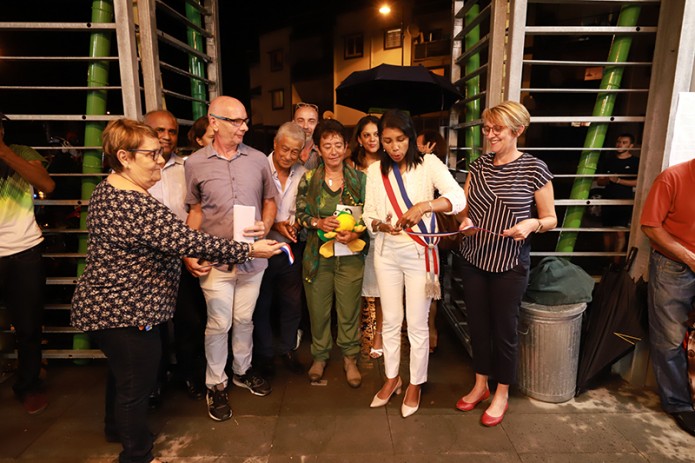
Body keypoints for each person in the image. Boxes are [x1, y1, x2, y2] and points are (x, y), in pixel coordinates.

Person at [70, 118, 282, 463]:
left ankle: (117, 428)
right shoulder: (132, 204)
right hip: (125, 310)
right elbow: (189, 239)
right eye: (151, 154)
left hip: (110, 308)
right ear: (124, 156)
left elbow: (172, 241)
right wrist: (249, 250)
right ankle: (136, 453)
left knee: (122, 377)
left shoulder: (109, 189)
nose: (159, 160)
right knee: (136, 387)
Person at [454, 101, 556, 427]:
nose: (490, 135)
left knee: (505, 329)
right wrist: (465, 220)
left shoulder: (534, 169)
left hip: (509, 262)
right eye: (486, 128)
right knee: (479, 326)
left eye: (497, 129)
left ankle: (502, 391)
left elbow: (550, 218)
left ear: (517, 131)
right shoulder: (478, 165)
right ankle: (481, 384)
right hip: (474, 257)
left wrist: (531, 225)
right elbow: (464, 208)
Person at [364, 109, 466, 418]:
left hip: (420, 252)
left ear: (410, 137)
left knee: (418, 323)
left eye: (400, 140)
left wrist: (425, 206)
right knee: (392, 320)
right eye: (387, 141)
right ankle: (392, 377)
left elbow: (457, 198)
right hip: (386, 253)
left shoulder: (429, 164)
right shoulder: (375, 171)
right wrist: (381, 225)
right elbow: (368, 213)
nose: (394, 147)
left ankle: (415, 382)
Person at [184, 96, 278, 422]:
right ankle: (216, 383)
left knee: (244, 319)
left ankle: (241, 370)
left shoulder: (258, 160)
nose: (244, 127)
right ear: (214, 122)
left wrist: (266, 224)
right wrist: (187, 251)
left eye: (245, 121)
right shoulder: (194, 163)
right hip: (214, 260)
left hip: (253, 258)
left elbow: (270, 201)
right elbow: (194, 211)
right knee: (219, 322)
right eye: (236, 121)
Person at [295, 118, 367, 387]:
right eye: (328, 145)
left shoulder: (359, 180)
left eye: (338, 145)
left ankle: (350, 358)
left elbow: (370, 216)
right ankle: (320, 356)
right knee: (318, 310)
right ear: (319, 149)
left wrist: (357, 232)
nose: (334, 150)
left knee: (349, 310)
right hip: (318, 257)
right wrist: (317, 223)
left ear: (346, 147)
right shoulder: (310, 179)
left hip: (350, 257)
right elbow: (300, 214)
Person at [144, 110, 207, 402]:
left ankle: (189, 375)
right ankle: (155, 381)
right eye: (159, 130)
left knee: (189, 321)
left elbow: (197, 209)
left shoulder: (187, 167)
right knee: (151, 326)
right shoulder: (133, 170)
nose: (166, 136)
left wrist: (185, 249)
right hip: (148, 261)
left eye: (171, 131)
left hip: (182, 257)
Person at [0, 112, 55, 415]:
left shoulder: (20, 153)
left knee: (29, 326)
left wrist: (4, 153)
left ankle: (28, 384)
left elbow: (46, 183)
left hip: (23, 251)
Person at [640, 157, 695, 436]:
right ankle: (679, 404)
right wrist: (688, 257)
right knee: (670, 336)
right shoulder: (672, 178)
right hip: (674, 264)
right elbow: (650, 225)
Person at [253, 122, 307, 379]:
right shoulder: (256, 168)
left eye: (294, 152)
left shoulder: (303, 173)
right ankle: (264, 356)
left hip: (289, 250)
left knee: (292, 302)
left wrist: (296, 224)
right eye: (284, 149)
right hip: (262, 247)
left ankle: (287, 349)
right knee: (261, 304)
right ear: (275, 144)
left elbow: (304, 209)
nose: (288, 156)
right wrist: (274, 223)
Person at [348, 115, 384, 359]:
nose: (372, 139)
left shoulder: (390, 161)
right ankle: (354, 336)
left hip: (381, 230)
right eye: (367, 135)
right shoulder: (351, 164)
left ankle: (379, 335)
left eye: (376, 134)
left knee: (381, 289)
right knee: (355, 287)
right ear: (359, 139)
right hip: (354, 229)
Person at [416, 129, 449, 354]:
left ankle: (430, 330)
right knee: (430, 285)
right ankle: (429, 331)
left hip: (430, 232)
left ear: (430, 145)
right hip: (428, 235)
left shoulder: (431, 164)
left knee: (430, 286)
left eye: (419, 144)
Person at [598, 133, 638, 263]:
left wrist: (619, 180)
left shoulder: (635, 162)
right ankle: (607, 259)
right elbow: (599, 181)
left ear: (631, 146)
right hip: (607, 197)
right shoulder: (608, 160)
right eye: (618, 141)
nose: (620, 144)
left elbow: (638, 182)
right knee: (607, 231)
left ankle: (616, 261)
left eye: (624, 142)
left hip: (624, 199)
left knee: (620, 232)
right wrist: (606, 180)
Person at [292, 102, 320, 169]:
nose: (305, 126)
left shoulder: (323, 151)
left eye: (311, 121)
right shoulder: (285, 151)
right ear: (293, 123)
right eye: (300, 121)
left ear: (317, 125)